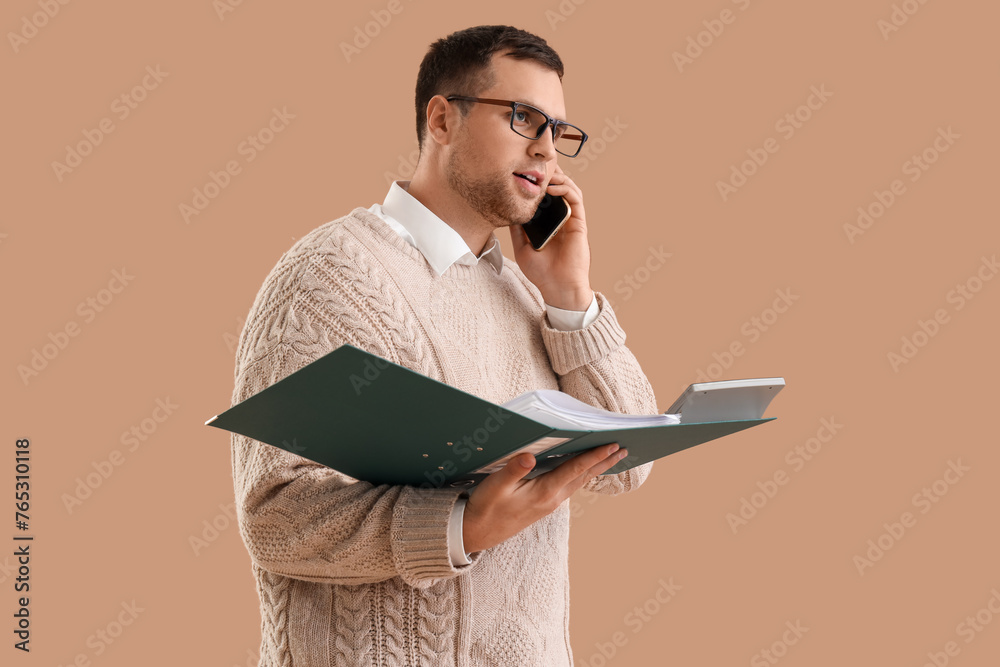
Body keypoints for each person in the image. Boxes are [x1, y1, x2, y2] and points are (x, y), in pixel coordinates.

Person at [230, 24, 660, 666]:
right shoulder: (330, 276)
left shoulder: (528, 292)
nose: (547, 150)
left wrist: (570, 296)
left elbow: (629, 466)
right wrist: (461, 526)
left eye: (558, 130)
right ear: (441, 120)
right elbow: (275, 518)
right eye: (524, 118)